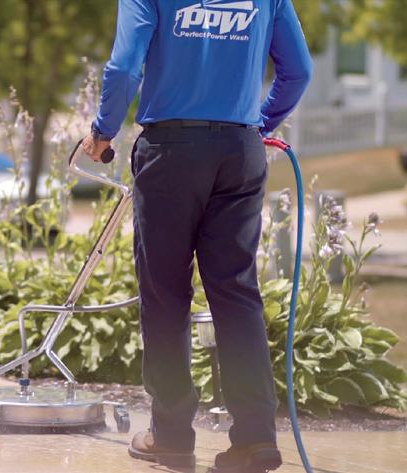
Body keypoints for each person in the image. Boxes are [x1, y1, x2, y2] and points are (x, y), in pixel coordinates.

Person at [82, 0, 312, 471]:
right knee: (237, 293)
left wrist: (102, 131)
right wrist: (259, 125)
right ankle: (255, 440)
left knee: (166, 294)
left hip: (171, 150)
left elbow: (124, 68)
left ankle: (170, 436)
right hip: (240, 151)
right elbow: (299, 71)